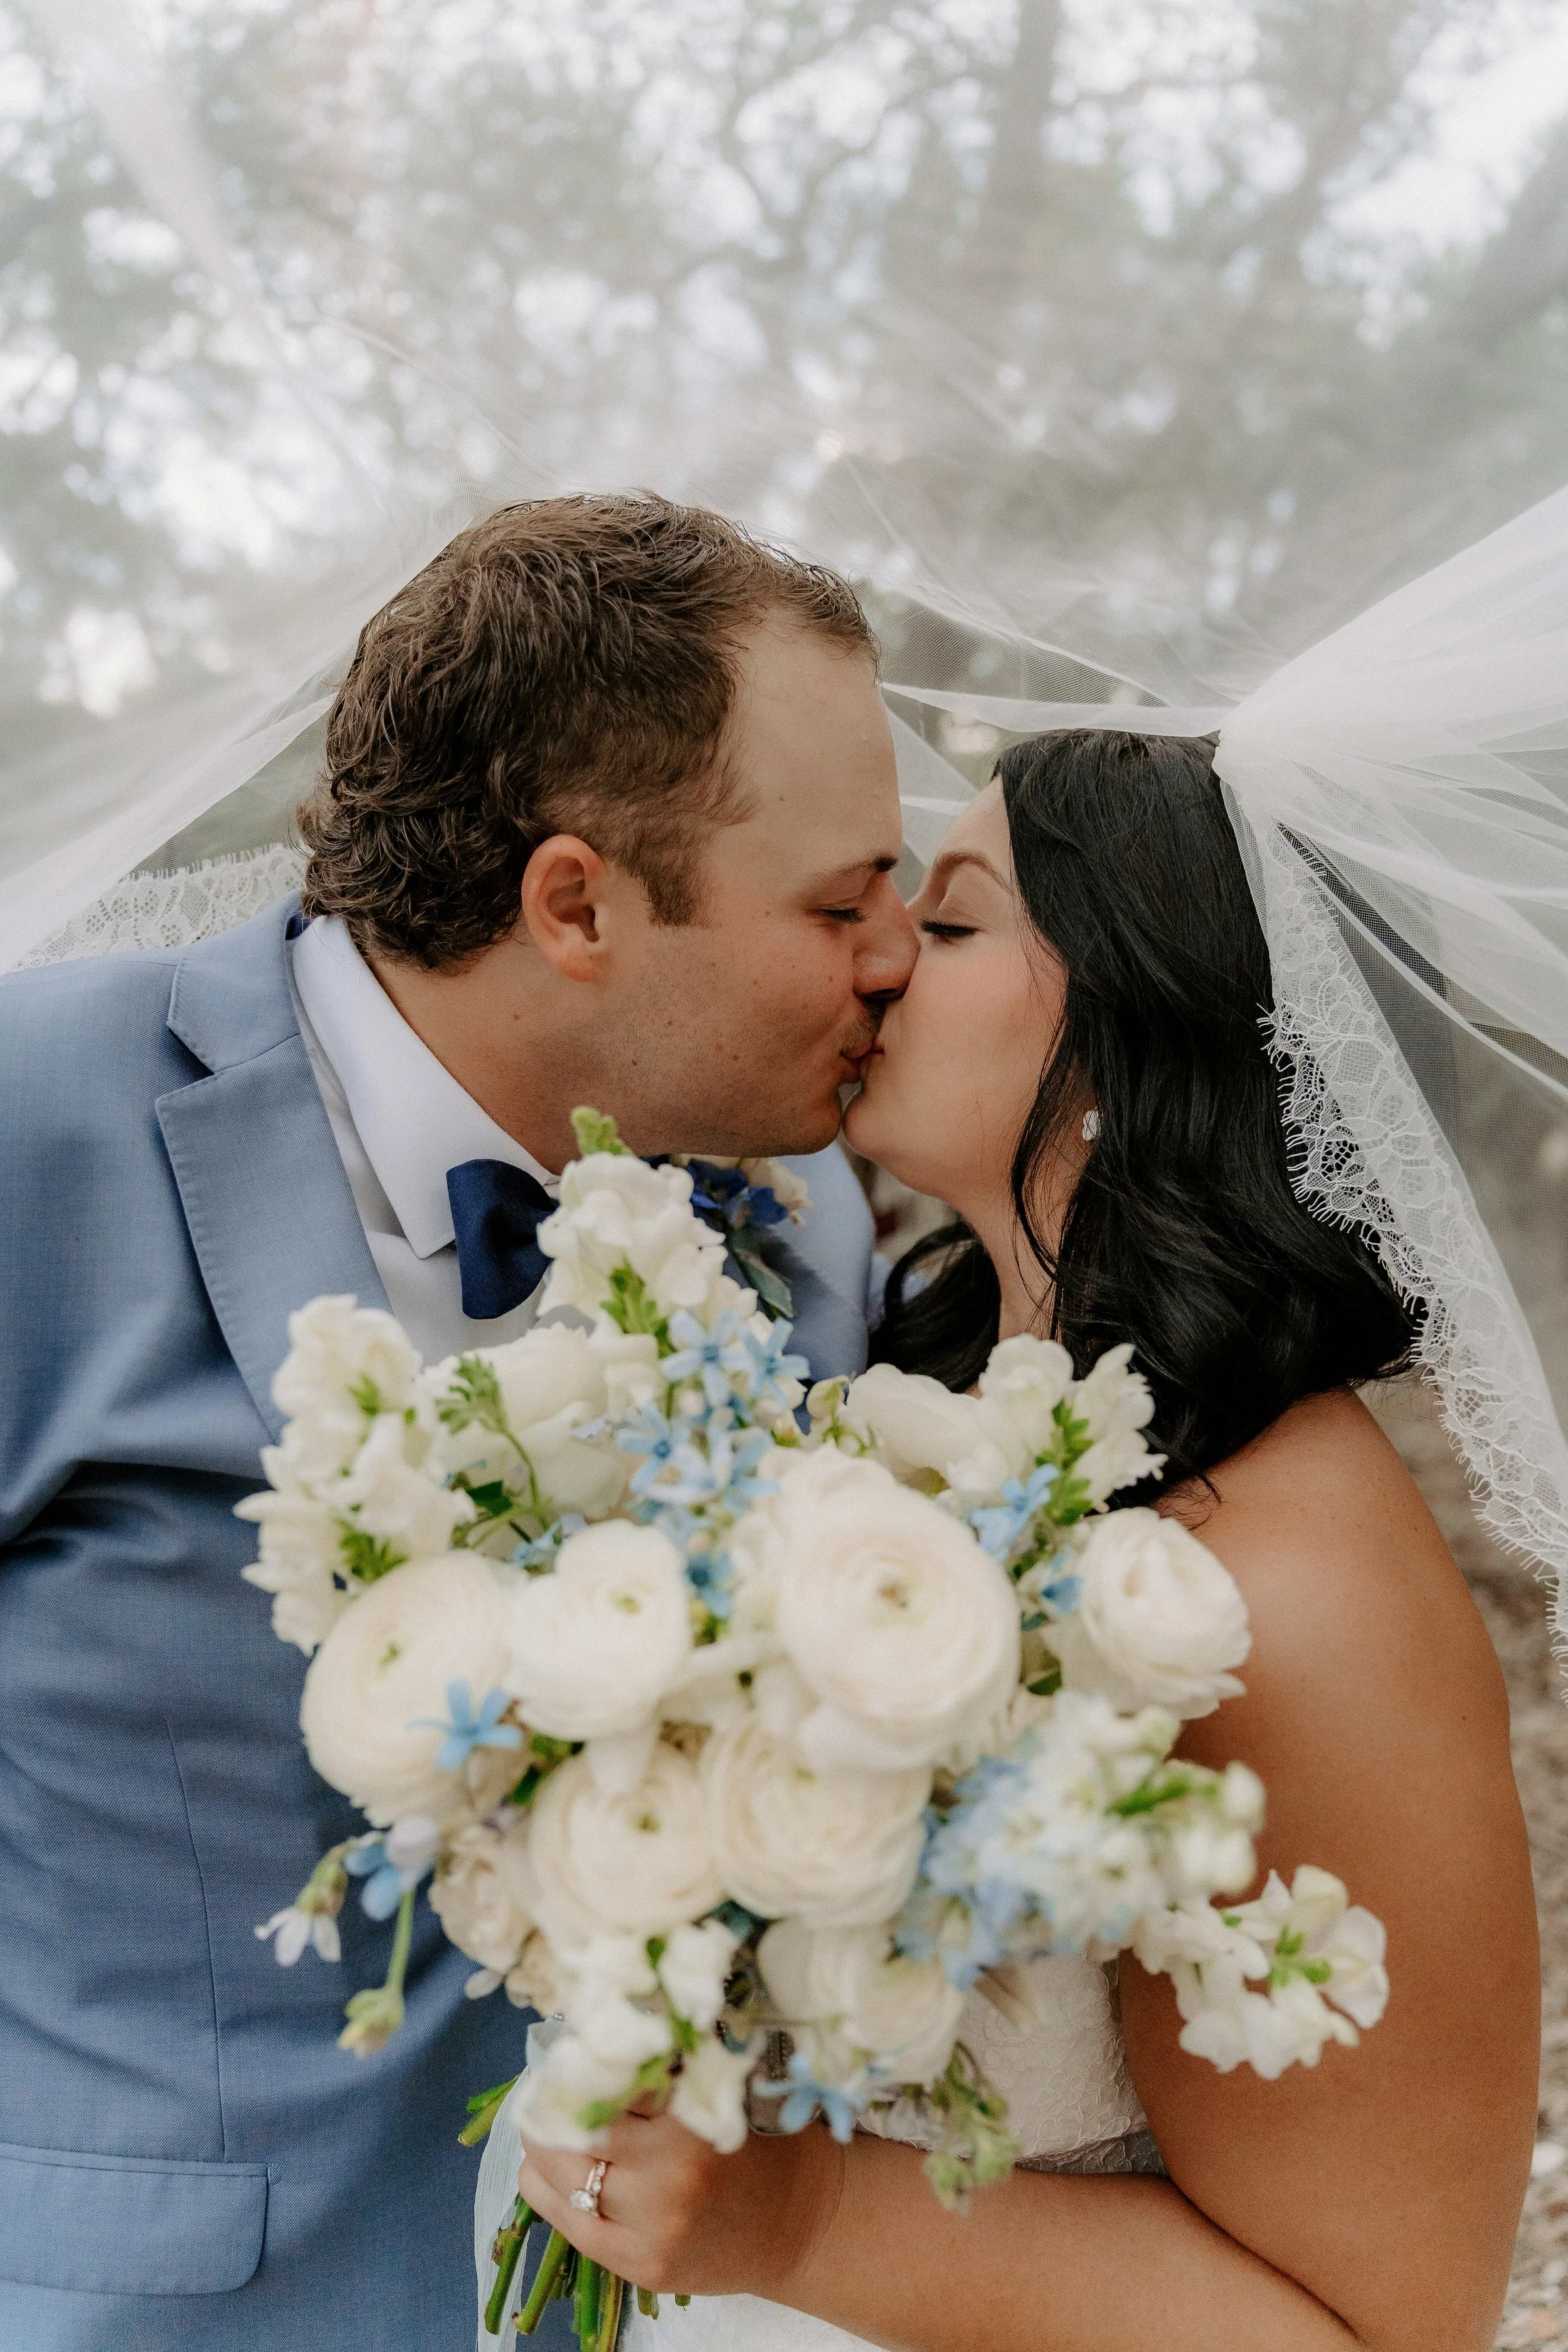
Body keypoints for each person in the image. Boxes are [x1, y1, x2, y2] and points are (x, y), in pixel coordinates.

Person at [0, 494, 915, 2352]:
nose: (898, 952)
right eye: (840, 902)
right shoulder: (41, 1124)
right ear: (573, 901)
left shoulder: (799, 1214)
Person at [516, 729, 1539, 2352]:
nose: (873, 957)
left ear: (1143, 1022)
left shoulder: (1282, 1575)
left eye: (953, 915)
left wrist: (796, 2216)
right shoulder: (919, 1430)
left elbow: (1381, 2326)